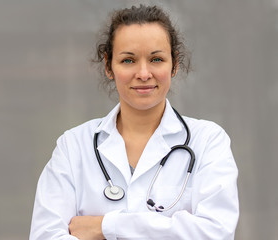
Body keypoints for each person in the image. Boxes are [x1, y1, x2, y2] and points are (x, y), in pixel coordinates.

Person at [29, 5, 239, 240]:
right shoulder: (73, 146)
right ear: (109, 66)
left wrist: (108, 226)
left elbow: (215, 233)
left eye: (156, 59)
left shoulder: (208, 141)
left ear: (175, 64)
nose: (143, 73)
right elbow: (45, 236)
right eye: (128, 60)